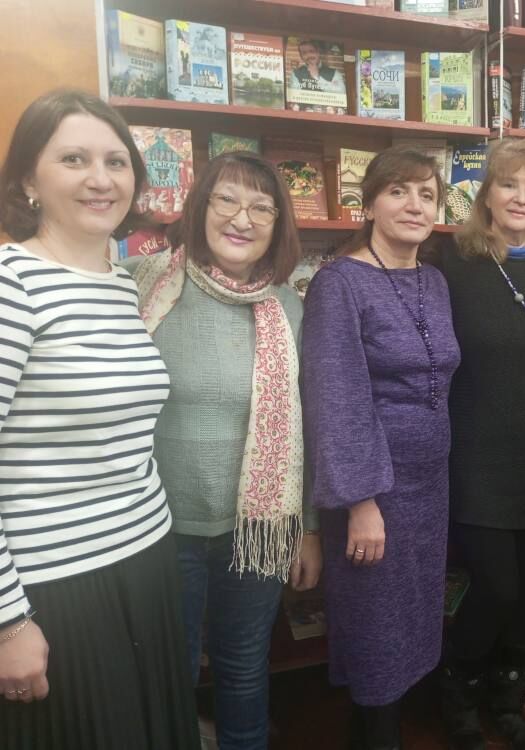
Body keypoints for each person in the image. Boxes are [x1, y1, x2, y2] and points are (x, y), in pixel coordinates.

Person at [0, 89, 199, 748]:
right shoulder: (11, 285)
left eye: (116, 162)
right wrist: (8, 621)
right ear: (29, 180)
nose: (101, 178)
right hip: (54, 584)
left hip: (145, 557)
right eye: (74, 159)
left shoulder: (120, 285)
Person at [123, 151, 322, 750]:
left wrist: (308, 529)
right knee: (170, 673)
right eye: (227, 200)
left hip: (254, 530)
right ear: (199, 206)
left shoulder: (290, 306)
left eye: (261, 207)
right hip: (157, 529)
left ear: (278, 225)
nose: (242, 218)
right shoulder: (138, 285)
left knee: (243, 667)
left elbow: (307, 424)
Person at [302, 146, 461, 750]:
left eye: (427, 194)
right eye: (398, 191)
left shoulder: (434, 280)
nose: (415, 205)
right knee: (374, 627)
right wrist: (361, 501)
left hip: (430, 486)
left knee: (414, 616)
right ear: (368, 204)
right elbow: (335, 395)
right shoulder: (338, 283)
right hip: (374, 490)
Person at [440, 138, 525, 750]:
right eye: (509, 184)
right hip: (475, 458)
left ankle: (508, 694)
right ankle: (458, 685)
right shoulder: (450, 265)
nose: (521, 198)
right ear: (486, 195)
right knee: (496, 587)